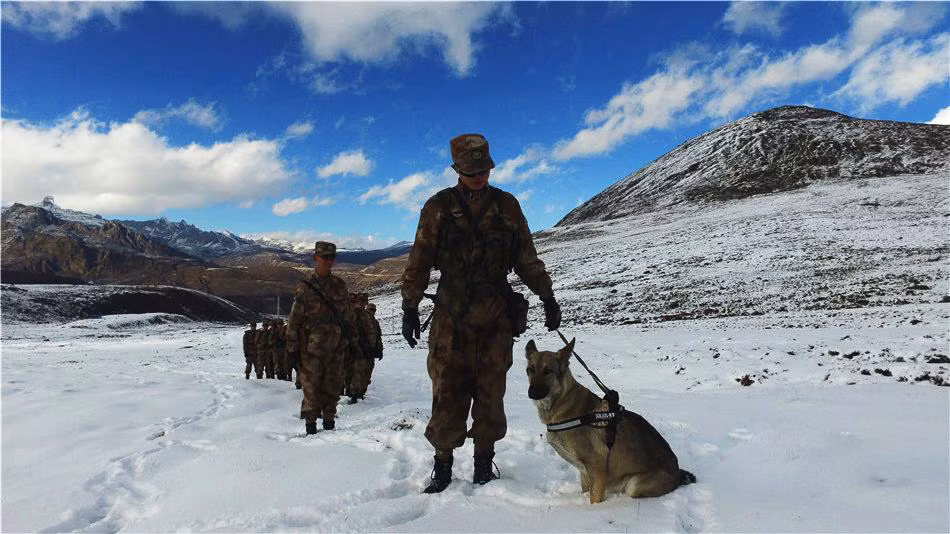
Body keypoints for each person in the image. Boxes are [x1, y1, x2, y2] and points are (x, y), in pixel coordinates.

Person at [401, 133, 561, 493]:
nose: (479, 177)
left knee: (491, 394)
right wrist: (409, 306)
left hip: (494, 318)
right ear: (456, 168)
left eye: (483, 170)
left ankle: (483, 465)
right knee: (448, 392)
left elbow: (526, 259)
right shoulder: (438, 207)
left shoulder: (507, 206)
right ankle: (442, 467)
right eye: (471, 171)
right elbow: (420, 259)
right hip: (451, 319)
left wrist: (547, 295)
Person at [286, 241, 363, 434]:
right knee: (311, 387)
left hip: (337, 347)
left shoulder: (340, 286)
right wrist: (292, 347)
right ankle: (310, 425)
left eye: (331, 257)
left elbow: (348, 318)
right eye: (324, 257)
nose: (328, 261)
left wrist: (353, 343)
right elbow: (294, 320)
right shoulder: (306, 288)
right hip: (311, 348)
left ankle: (329, 423)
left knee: (333, 385)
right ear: (315, 258)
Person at [348, 293, 382, 403]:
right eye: (358, 302)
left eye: (363, 303)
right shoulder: (352, 315)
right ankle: (353, 395)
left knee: (367, 373)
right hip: (357, 350)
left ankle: (361, 393)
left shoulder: (371, 319)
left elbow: (377, 336)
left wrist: (379, 350)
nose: (360, 305)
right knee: (357, 373)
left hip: (369, 351)